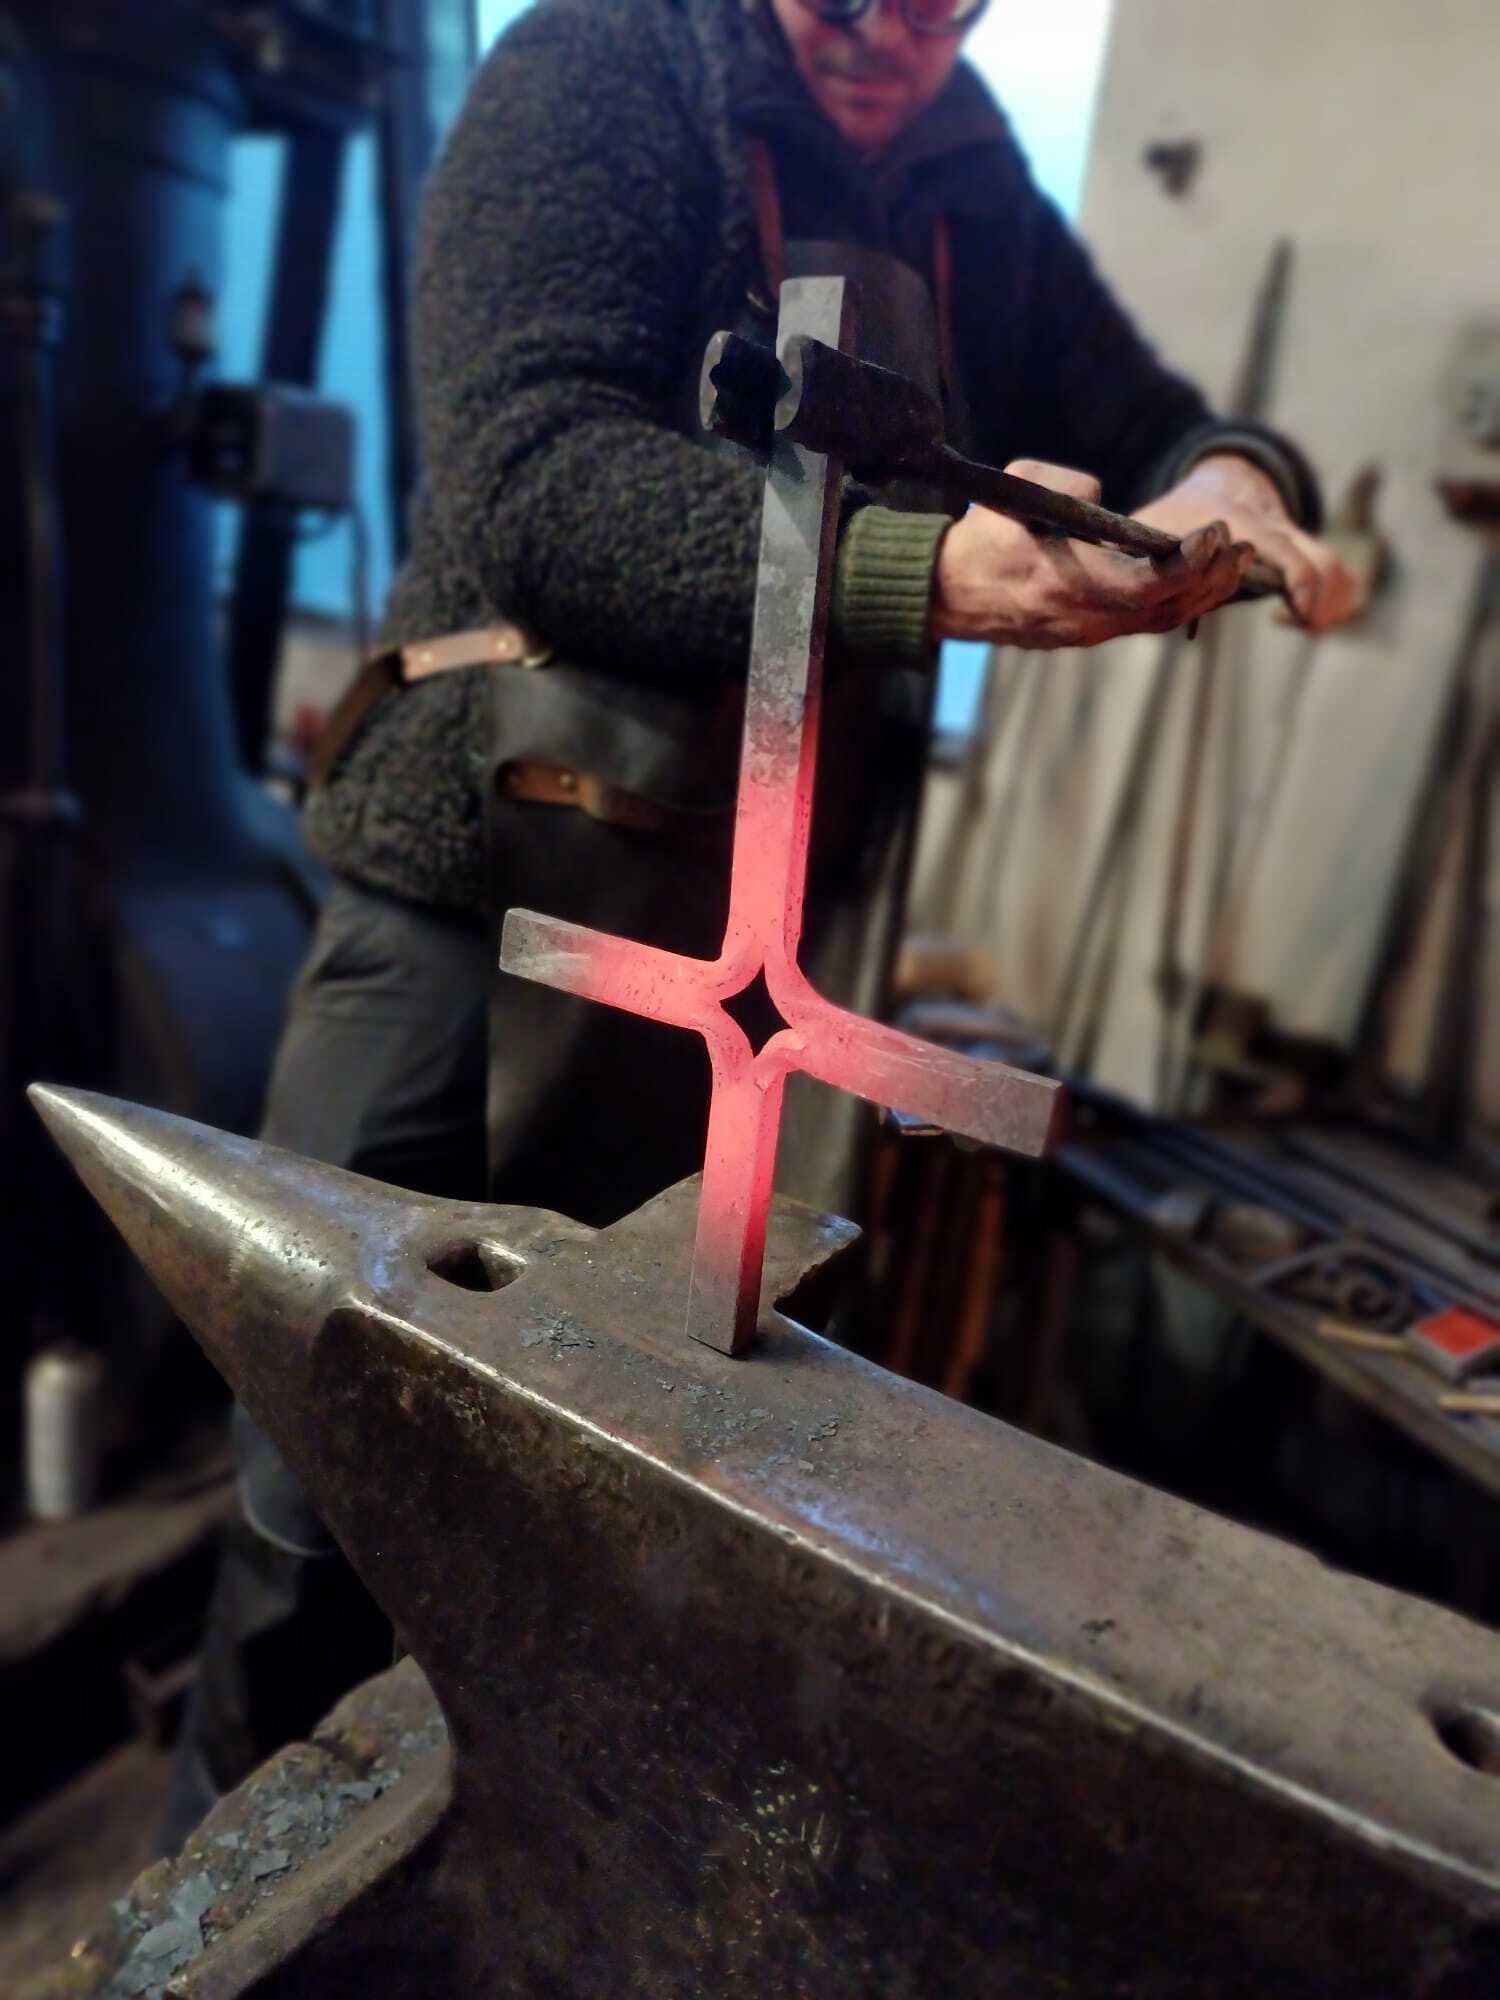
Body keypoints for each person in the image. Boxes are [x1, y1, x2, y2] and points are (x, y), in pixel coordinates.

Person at [159, 0, 1360, 1849]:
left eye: (939, 5)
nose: (887, 35)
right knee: (330, 1477)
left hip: (730, 955)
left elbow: (1150, 410)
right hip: (467, 903)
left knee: (584, 1478)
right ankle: (222, 1910)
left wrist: (1229, 483)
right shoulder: (605, 68)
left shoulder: (964, 168)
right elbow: (533, 483)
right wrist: (909, 569)